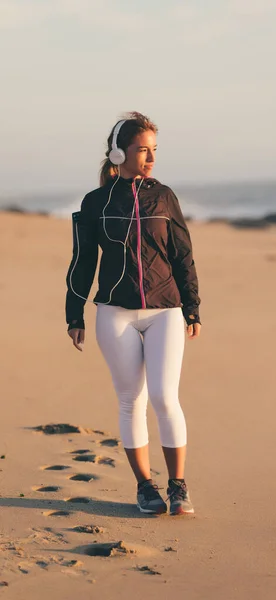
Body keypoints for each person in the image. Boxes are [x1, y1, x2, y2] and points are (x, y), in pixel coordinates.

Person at [65, 111, 201, 515]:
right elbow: (82, 261)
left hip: (165, 310)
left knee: (163, 396)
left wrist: (193, 307)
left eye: (154, 150)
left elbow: (183, 255)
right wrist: (75, 315)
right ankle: (145, 487)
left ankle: (178, 486)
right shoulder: (96, 203)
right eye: (143, 150)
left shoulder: (164, 197)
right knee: (131, 400)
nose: (151, 158)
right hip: (115, 312)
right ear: (119, 152)